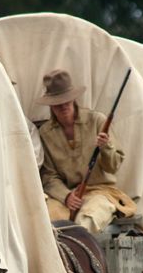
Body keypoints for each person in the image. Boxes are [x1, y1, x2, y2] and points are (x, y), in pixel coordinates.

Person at [36, 69, 135, 234]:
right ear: (50, 105)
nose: (63, 106)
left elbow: (113, 166)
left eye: (66, 101)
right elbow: (48, 175)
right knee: (48, 222)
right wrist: (66, 196)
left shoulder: (97, 121)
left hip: (100, 192)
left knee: (87, 220)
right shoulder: (45, 133)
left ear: (73, 98)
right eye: (57, 103)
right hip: (65, 196)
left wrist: (106, 147)